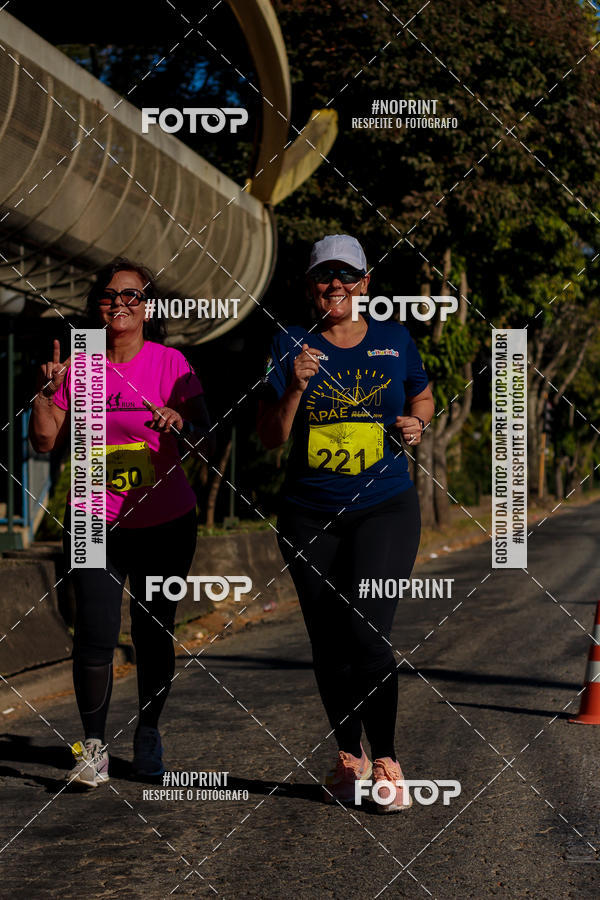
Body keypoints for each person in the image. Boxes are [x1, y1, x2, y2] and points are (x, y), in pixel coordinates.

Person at [257, 234, 434, 812]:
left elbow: (423, 395)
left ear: (365, 283)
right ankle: (348, 757)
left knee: (367, 632)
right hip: (309, 514)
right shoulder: (289, 342)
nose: (335, 284)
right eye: (323, 276)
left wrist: (416, 423)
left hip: (384, 507)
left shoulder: (394, 339)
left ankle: (387, 761)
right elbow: (270, 437)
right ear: (309, 286)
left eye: (346, 275)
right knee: (329, 641)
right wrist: (295, 386)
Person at [29, 257, 213, 787]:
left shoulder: (170, 362)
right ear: (98, 307)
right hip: (93, 514)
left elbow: (207, 436)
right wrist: (46, 394)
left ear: (147, 307)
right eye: (110, 296)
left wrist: (179, 421)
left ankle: (148, 731)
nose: (120, 304)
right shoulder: (80, 364)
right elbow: (44, 441)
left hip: (165, 521)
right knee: (95, 630)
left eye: (132, 295)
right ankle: (92, 746)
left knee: (153, 632)